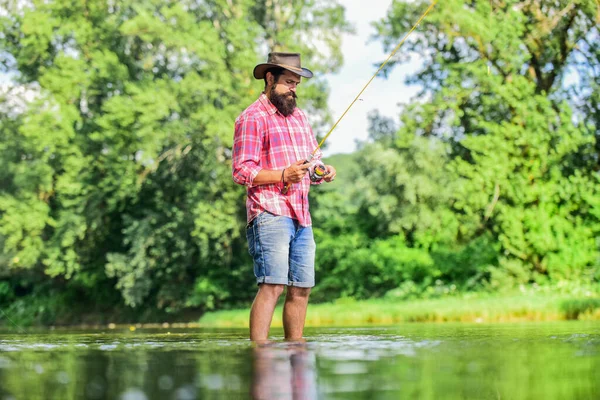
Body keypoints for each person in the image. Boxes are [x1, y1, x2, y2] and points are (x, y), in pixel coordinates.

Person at [232, 52, 336, 342]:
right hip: (269, 212)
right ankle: (260, 354)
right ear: (269, 79)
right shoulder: (251, 118)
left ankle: (296, 351)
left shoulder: (301, 118)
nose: (293, 88)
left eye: (296, 84)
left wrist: (323, 171)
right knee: (272, 286)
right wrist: (282, 175)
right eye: (288, 82)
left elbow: (312, 163)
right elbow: (241, 171)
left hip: (302, 214)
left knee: (302, 288)